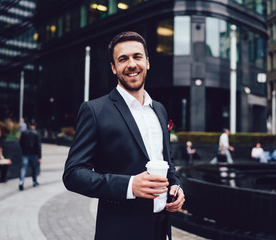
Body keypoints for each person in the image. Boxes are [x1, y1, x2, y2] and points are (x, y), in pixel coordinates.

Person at [63, 31, 185, 240]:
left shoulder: (160, 109)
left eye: (137, 57)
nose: (131, 64)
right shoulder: (94, 110)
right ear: (113, 67)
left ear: (147, 62)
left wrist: (176, 186)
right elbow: (73, 174)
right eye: (123, 59)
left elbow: (166, 161)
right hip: (119, 231)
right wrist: (129, 186)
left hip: (160, 229)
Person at [18, 119, 42, 191]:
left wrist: (23, 149)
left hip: (25, 153)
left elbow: (20, 142)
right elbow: (38, 146)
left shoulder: (24, 132)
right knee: (34, 168)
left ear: (29, 125)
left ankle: (21, 182)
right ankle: (34, 182)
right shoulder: (36, 133)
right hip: (34, 154)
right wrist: (40, 156)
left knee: (23, 168)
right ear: (35, 125)